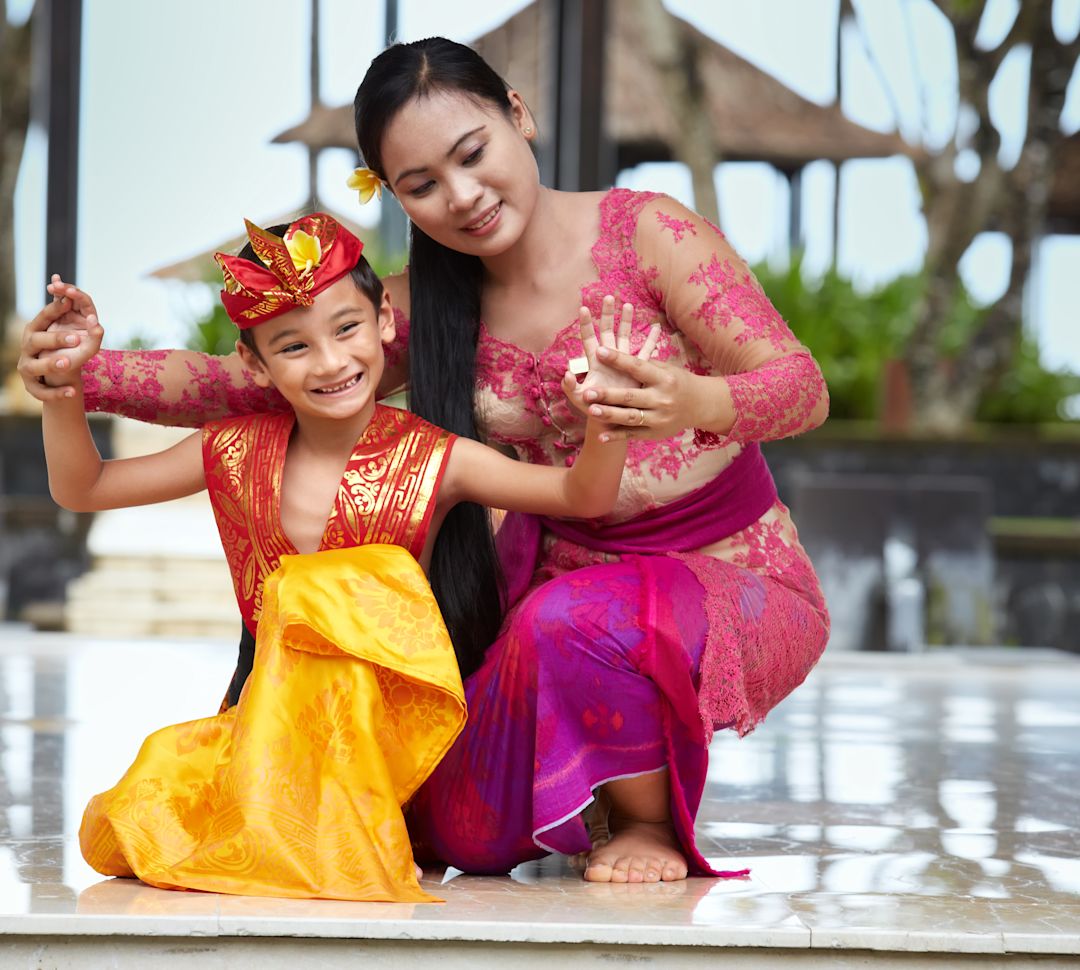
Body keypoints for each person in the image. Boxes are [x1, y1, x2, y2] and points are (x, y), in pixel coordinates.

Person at [20, 37, 830, 886]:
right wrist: (78, 372)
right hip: (545, 606)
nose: (463, 197)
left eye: (473, 154)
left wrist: (691, 402)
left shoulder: (649, 233)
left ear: (517, 114)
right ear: (394, 195)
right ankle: (588, 780)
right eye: (422, 185)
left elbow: (801, 387)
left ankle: (647, 823)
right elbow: (243, 382)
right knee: (449, 830)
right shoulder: (425, 307)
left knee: (576, 623)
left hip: (732, 579)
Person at [36, 212, 654, 902]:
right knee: (143, 814)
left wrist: (608, 418)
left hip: (399, 741)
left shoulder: (436, 458)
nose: (331, 362)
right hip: (269, 736)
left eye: (347, 328)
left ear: (386, 318)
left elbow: (582, 493)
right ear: (254, 363)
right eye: (293, 346)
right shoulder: (231, 450)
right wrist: (64, 388)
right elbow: (83, 488)